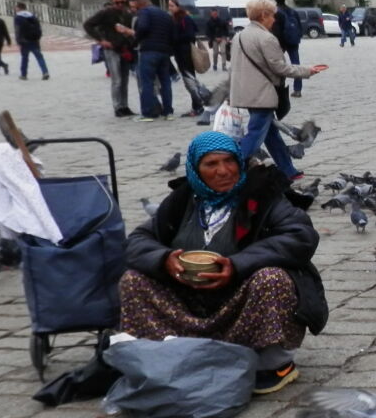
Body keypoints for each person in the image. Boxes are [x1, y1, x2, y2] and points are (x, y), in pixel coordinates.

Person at [120, 130, 327, 394]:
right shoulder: (182, 200)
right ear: (196, 169)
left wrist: (238, 264)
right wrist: (164, 260)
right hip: (189, 303)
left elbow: (301, 236)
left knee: (272, 279)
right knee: (133, 280)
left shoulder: (263, 197)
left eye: (229, 161)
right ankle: (175, 355)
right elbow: (138, 240)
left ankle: (271, 365)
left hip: (241, 306)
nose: (223, 171)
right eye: (211, 164)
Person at [231, 0, 327, 180]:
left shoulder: (239, 36)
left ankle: (288, 170)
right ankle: (234, 167)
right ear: (264, 15)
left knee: (270, 133)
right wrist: (308, 70)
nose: (274, 19)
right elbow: (280, 67)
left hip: (247, 92)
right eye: (272, 15)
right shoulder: (267, 38)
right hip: (262, 94)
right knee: (256, 133)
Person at [84, 0, 136, 116]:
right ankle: (117, 107)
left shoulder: (127, 14)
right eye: (117, 2)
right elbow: (88, 24)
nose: (120, 5)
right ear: (113, 2)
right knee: (117, 80)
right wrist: (101, 40)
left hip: (124, 48)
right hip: (111, 49)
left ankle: (124, 106)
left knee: (125, 80)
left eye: (122, 2)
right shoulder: (105, 13)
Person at [128, 0, 177, 119]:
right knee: (165, 82)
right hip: (164, 52)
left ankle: (148, 113)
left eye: (136, 6)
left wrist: (136, 39)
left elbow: (143, 28)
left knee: (147, 82)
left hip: (149, 51)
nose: (136, 9)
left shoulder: (145, 12)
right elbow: (172, 33)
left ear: (140, 3)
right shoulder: (165, 14)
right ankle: (168, 112)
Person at [166, 0, 205, 117]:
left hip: (185, 54)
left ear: (178, 6)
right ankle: (198, 104)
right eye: (169, 6)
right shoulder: (174, 19)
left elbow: (190, 35)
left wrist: (175, 39)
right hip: (179, 54)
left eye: (172, 5)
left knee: (189, 80)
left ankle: (198, 105)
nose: (170, 8)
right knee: (188, 80)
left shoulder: (184, 18)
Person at [273, 0, 305, 97]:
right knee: (296, 64)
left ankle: (278, 88)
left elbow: (275, 29)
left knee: (277, 65)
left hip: (280, 42)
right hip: (293, 41)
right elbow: (300, 27)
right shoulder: (292, 11)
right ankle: (298, 89)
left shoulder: (275, 12)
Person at [13, 3, 49, 80]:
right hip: (34, 40)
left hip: (24, 40)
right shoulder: (32, 16)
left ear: (19, 8)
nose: (15, 9)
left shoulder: (18, 17)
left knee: (24, 58)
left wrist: (18, 40)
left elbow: (17, 29)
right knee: (39, 57)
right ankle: (45, 72)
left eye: (16, 8)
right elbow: (39, 27)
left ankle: (24, 75)